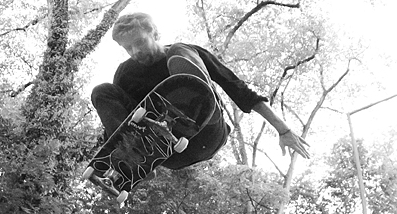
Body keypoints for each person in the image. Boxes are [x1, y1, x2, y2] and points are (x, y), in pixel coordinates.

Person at [91, 13, 309, 177]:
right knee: (102, 91)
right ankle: (136, 151)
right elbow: (116, 117)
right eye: (128, 48)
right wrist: (118, 156)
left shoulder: (184, 52)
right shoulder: (126, 73)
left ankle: (187, 112)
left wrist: (283, 130)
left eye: (139, 42)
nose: (135, 52)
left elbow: (237, 88)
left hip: (206, 134)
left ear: (155, 34)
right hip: (172, 154)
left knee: (179, 51)